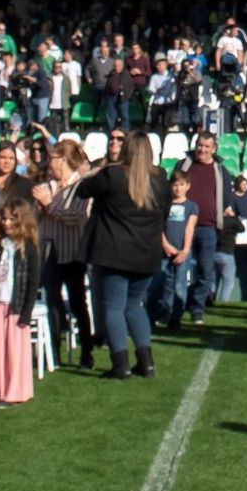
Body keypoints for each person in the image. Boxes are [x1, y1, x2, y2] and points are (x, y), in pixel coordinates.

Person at [77, 131, 169, 380]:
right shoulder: (160, 178)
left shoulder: (112, 174)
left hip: (113, 253)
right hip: (147, 254)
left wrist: (98, 169)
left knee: (113, 307)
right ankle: (146, 362)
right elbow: (166, 211)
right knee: (133, 305)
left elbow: (82, 190)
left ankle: (120, 364)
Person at [34, 138, 95, 369]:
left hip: (72, 251)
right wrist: (40, 208)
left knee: (78, 301)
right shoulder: (48, 185)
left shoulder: (81, 187)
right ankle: (54, 349)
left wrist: (50, 205)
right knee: (51, 300)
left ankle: (86, 351)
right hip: (49, 249)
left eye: (54, 158)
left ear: (64, 160)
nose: (50, 163)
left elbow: (76, 217)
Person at [0, 198, 42, 408]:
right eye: (3, 218)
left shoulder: (28, 249)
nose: (6, 222)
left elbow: (32, 282)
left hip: (15, 308)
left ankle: (13, 392)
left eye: (12, 218)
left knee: (13, 352)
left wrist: (26, 311)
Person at [175, 133, 232, 324]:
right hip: (182, 227)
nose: (203, 149)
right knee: (180, 270)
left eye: (207, 146)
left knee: (205, 271)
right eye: (200, 145)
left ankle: (197, 309)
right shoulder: (183, 166)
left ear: (213, 148)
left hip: (208, 228)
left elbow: (226, 198)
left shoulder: (220, 170)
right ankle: (177, 307)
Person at [152, 168, 198, 331]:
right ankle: (162, 313)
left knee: (180, 285)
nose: (177, 188)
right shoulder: (164, 204)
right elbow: (159, 227)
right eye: (175, 185)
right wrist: (165, 245)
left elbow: (189, 228)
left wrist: (185, 250)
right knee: (162, 283)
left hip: (182, 252)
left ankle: (175, 317)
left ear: (188, 186)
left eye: (181, 184)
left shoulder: (191, 206)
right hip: (164, 251)